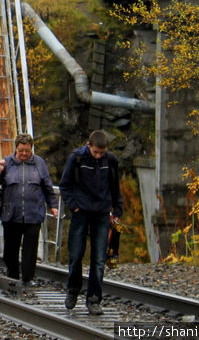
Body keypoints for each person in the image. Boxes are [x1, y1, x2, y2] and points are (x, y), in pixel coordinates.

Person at [59, 129, 123, 316]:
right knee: (76, 254)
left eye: (101, 153)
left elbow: (115, 186)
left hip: (102, 213)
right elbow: (65, 184)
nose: (98, 156)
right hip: (81, 213)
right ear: (89, 146)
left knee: (98, 259)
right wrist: (74, 206)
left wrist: (117, 210)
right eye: (96, 152)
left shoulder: (110, 161)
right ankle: (73, 289)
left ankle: (94, 298)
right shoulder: (77, 158)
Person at [0, 133, 58, 287]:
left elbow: (47, 186)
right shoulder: (7, 163)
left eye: (27, 151)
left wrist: (53, 205)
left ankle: (27, 278)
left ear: (31, 149)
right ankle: (12, 276)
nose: (24, 154)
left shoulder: (39, 163)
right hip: (11, 214)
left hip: (34, 214)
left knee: (30, 250)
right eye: (21, 151)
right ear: (16, 149)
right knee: (10, 251)